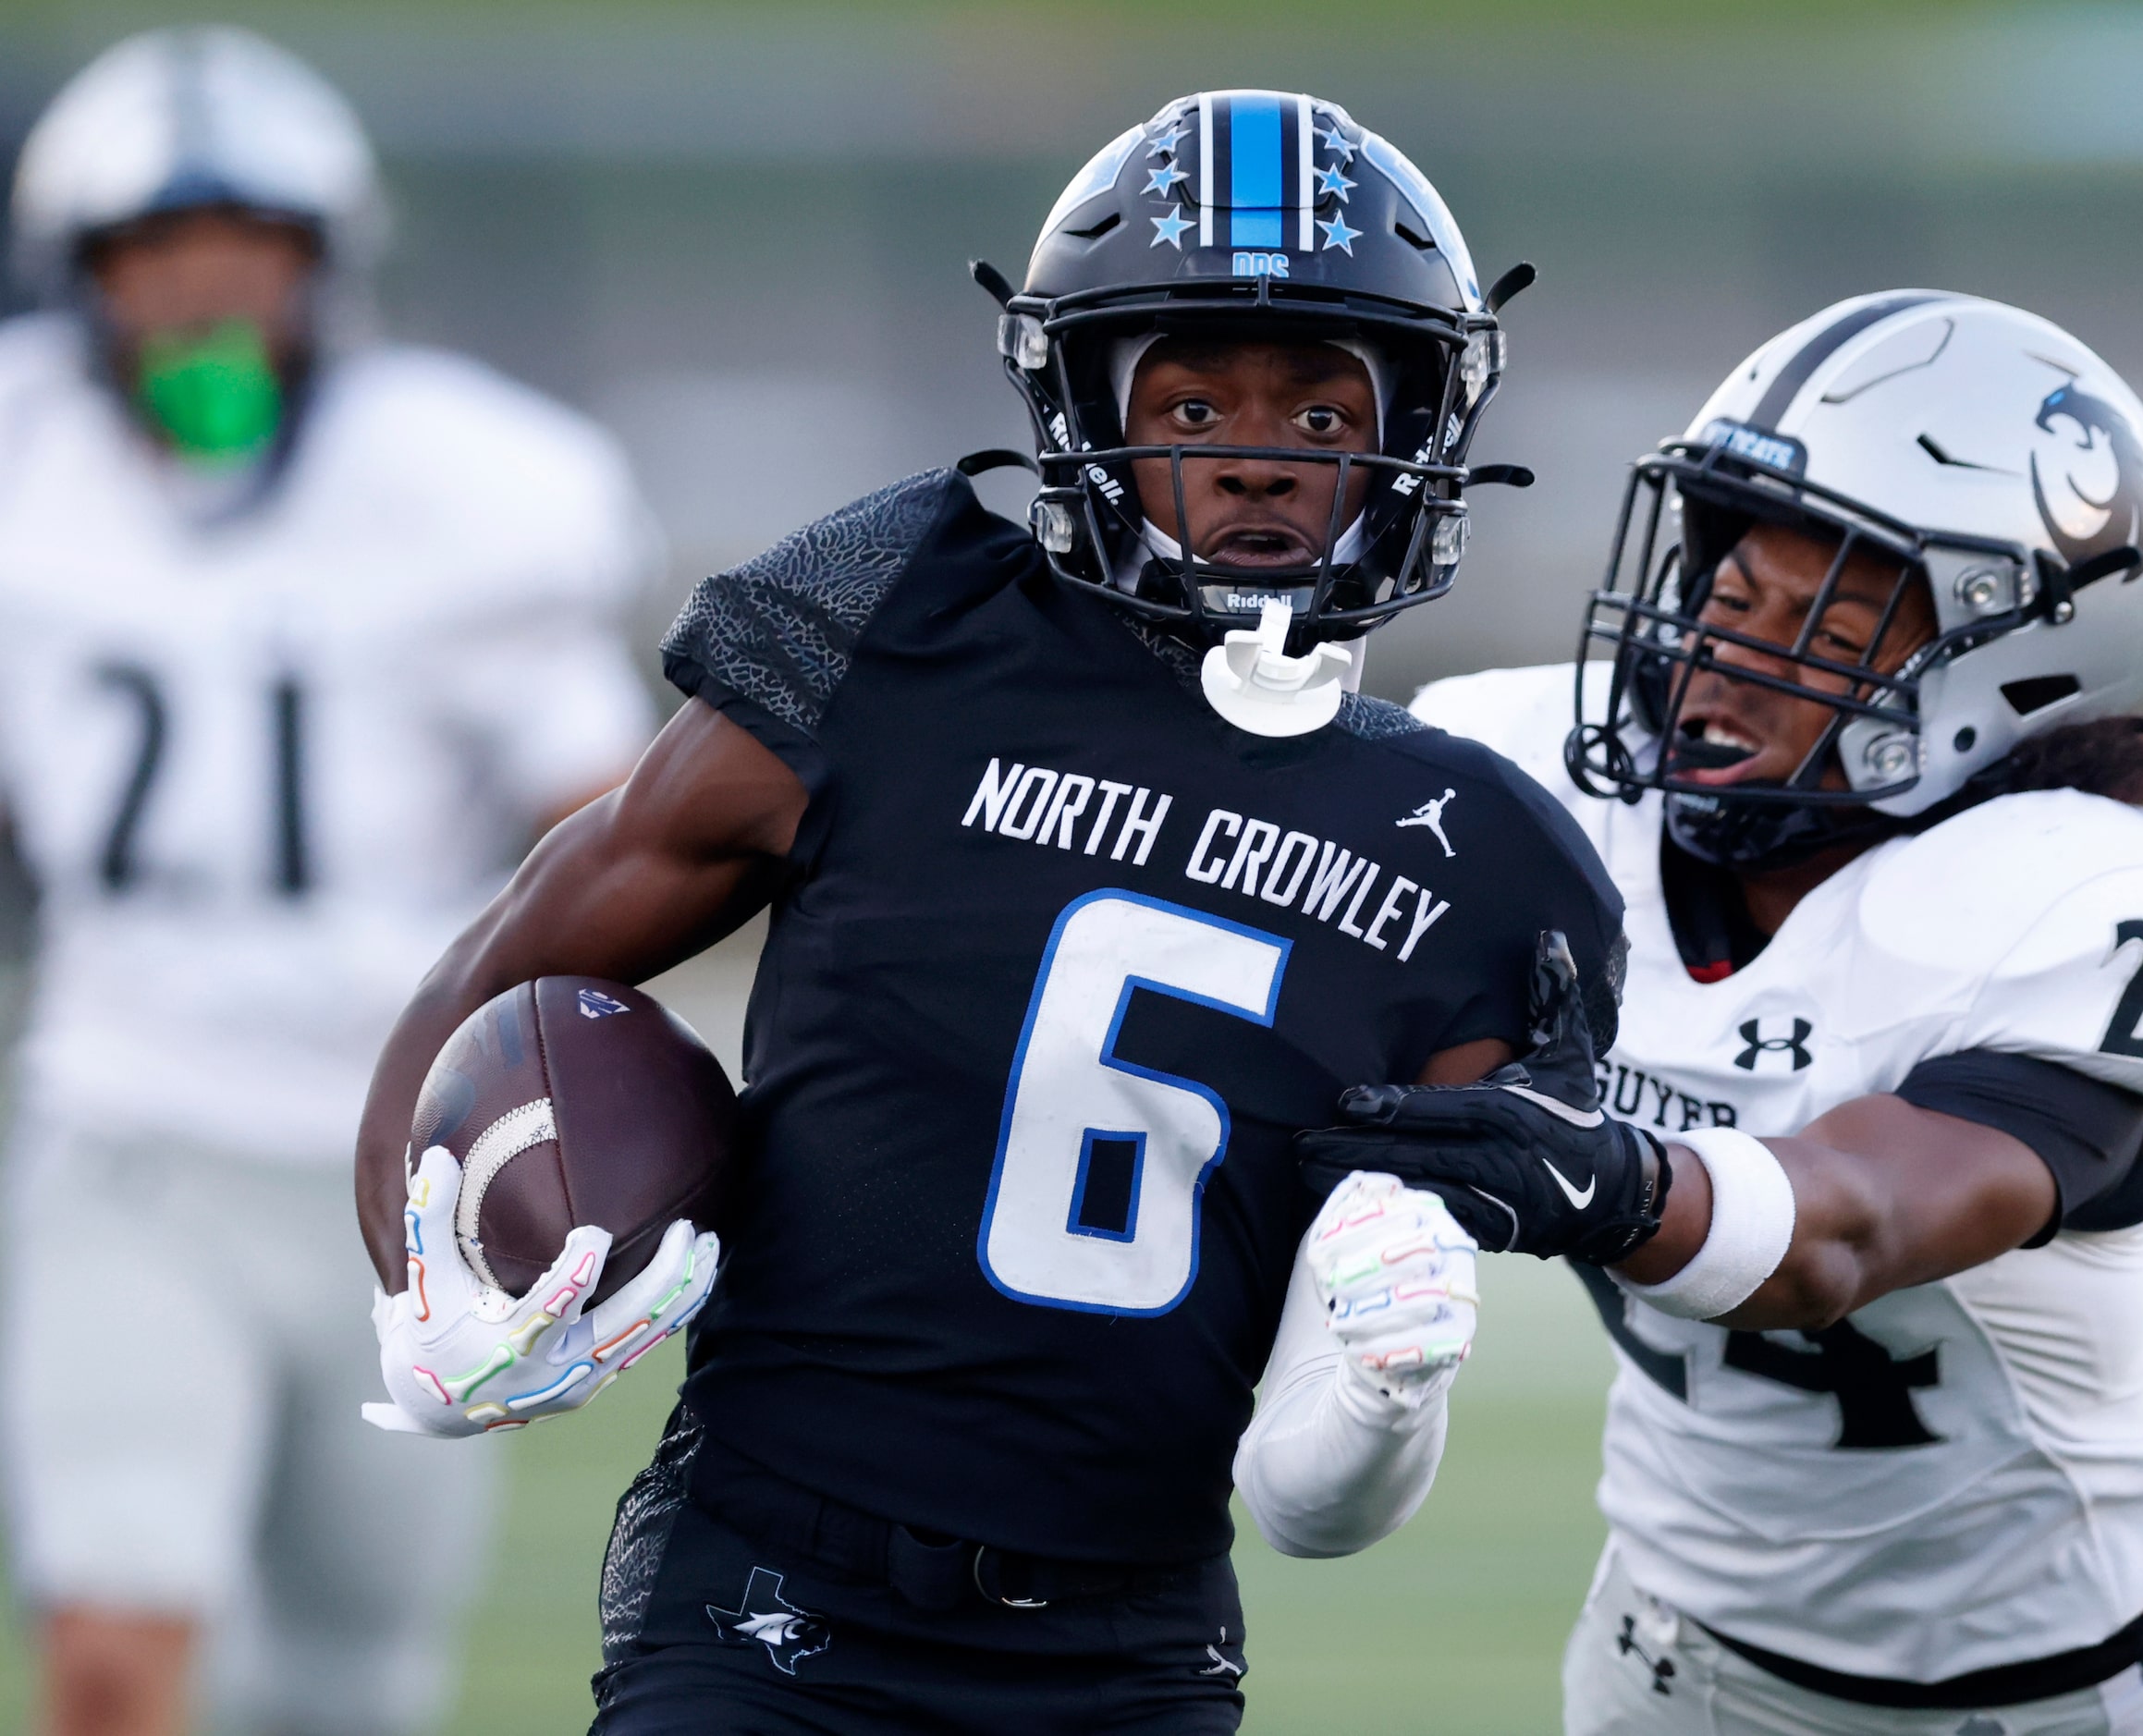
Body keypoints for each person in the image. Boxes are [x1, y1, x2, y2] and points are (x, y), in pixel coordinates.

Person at [351, 90, 1628, 1733]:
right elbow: (510, 957)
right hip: (763, 1585)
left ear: (1420, 432)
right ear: (1079, 402)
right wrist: (416, 1281)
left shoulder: (1482, 858)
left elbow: (1326, 1493)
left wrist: (1382, 1405)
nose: (1252, 450)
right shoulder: (902, 623)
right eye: (1187, 400)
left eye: (1321, 411)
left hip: (1130, 1636)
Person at [1300, 291, 2143, 1735]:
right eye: (1720, 592)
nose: (1712, 653)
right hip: (1663, 1654)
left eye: (1812, 617)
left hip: (2041, 1692)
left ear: (2008, 658)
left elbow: (1843, 1231)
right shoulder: (1525, 792)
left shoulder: (2069, 899)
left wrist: (1612, 1180)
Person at [0, 27, 661, 1736]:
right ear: (86, 280)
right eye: (153, 259)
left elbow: (599, 819)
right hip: (130, 1132)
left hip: (400, 1166)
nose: (200, 301)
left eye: (243, 254)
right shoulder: (26, 458)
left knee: (346, 1684)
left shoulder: (461, 484)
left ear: (322, 268)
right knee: (114, 1616)